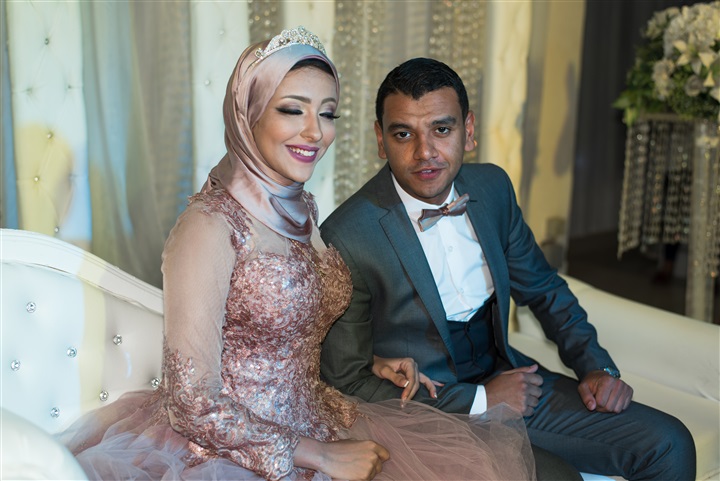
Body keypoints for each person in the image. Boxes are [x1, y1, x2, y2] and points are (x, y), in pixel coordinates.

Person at [57, 28, 536, 481]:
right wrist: (320, 455)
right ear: (248, 113)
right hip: (228, 450)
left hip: (319, 415)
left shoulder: (300, 208)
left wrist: (372, 361)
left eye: (327, 114)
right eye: (292, 110)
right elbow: (191, 403)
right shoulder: (208, 226)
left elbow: (285, 335)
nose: (315, 133)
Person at [319, 57, 697, 481]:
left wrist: (595, 366)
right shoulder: (347, 235)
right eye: (403, 134)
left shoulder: (492, 187)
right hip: (424, 416)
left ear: (469, 130)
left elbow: (544, 289)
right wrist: (481, 400)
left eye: (442, 129)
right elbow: (348, 381)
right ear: (380, 139)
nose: (425, 152)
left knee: (670, 445)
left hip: (513, 382)